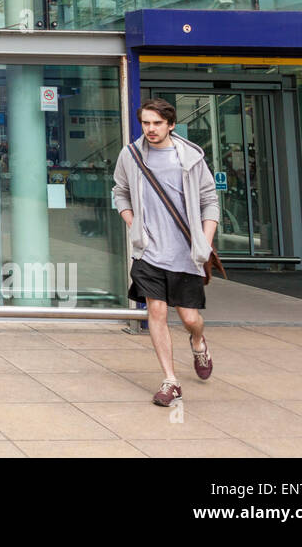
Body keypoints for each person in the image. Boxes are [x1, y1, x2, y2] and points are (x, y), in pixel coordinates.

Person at [112, 97, 219, 407]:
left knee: (189, 318)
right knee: (156, 312)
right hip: (149, 252)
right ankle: (171, 381)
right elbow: (120, 192)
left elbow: (209, 201)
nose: (151, 129)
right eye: (146, 123)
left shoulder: (190, 157)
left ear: (171, 124)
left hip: (186, 252)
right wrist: (133, 224)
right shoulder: (130, 155)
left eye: (157, 123)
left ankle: (198, 341)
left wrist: (204, 240)